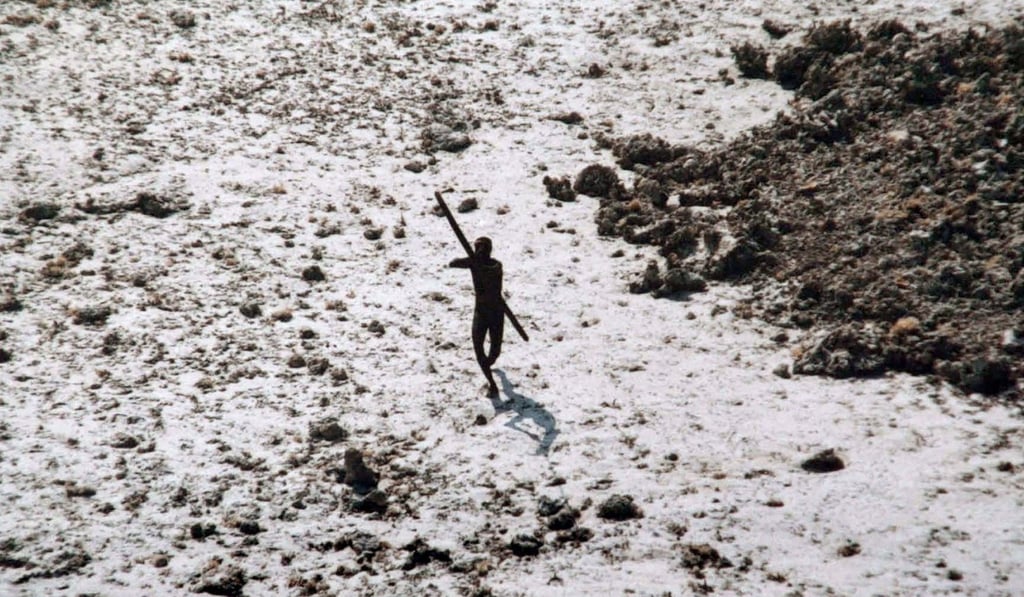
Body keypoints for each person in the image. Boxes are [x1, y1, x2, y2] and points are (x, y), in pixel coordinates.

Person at [449, 236, 505, 395]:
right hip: (481, 312)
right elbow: (453, 263)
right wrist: (472, 260)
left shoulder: (495, 265)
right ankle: (492, 383)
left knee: (494, 352)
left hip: (495, 312)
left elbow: (488, 269)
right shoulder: (474, 263)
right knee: (478, 348)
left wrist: (473, 260)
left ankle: (487, 365)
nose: (479, 251)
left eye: (481, 248)